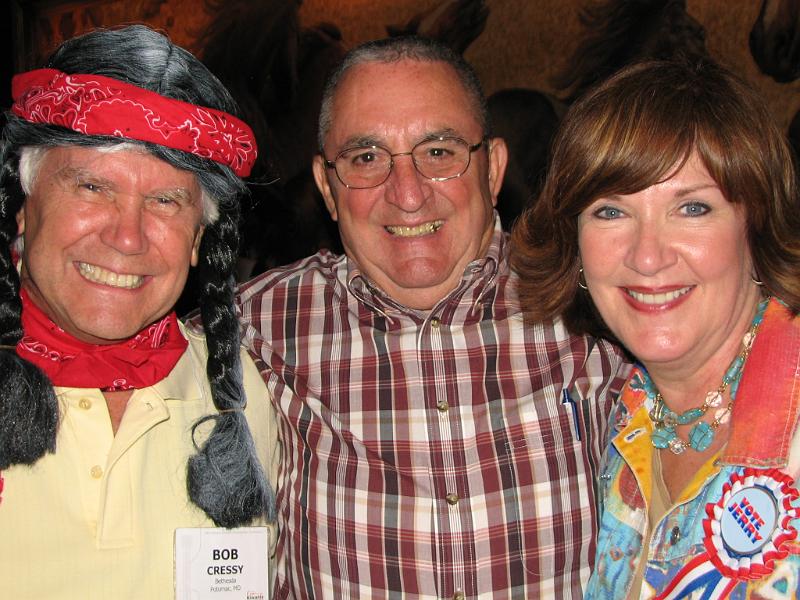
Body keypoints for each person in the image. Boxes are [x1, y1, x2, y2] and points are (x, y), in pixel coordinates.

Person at [235, 36, 629, 599]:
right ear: (327, 186)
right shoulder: (256, 328)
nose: (408, 194)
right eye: (366, 158)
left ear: (491, 170)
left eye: (439, 152)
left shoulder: (596, 310)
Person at [0, 25, 278, 598]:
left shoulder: (238, 393)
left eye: (165, 201)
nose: (127, 238)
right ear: (23, 205)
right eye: (92, 187)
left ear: (200, 240)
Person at [511, 58, 800, 598]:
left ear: (754, 226)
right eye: (610, 212)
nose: (646, 257)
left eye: (691, 207)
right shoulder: (626, 415)